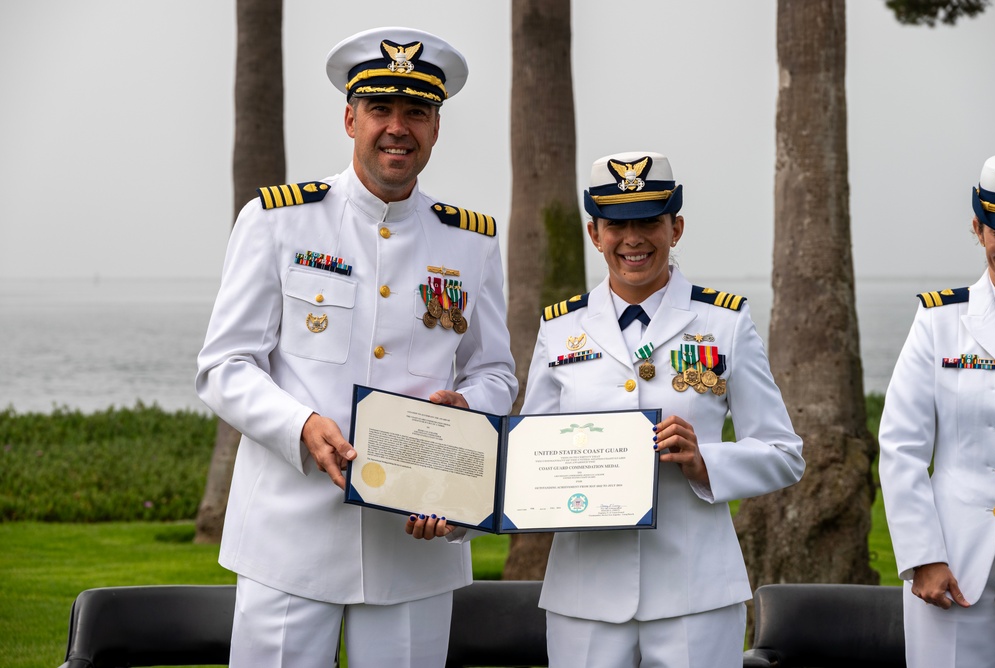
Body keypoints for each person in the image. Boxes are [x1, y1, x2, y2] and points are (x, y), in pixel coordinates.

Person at [195, 26, 517, 668]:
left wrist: (467, 412)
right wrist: (301, 424)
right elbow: (224, 367)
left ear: (435, 127)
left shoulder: (470, 241)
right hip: (291, 533)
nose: (398, 128)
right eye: (380, 109)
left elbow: (495, 372)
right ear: (350, 118)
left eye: (417, 112)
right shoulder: (280, 219)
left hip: (416, 538)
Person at [521, 150, 805, 667]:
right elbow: (527, 456)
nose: (633, 238)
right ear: (594, 233)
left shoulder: (724, 323)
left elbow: (785, 453)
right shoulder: (560, 328)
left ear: (675, 227)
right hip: (585, 595)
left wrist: (706, 462)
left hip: (695, 593)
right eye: (616, 225)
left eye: (649, 221)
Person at [878, 154, 995, 668]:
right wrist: (922, 555)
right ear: (978, 227)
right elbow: (901, 445)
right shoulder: (939, 321)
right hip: (952, 565)